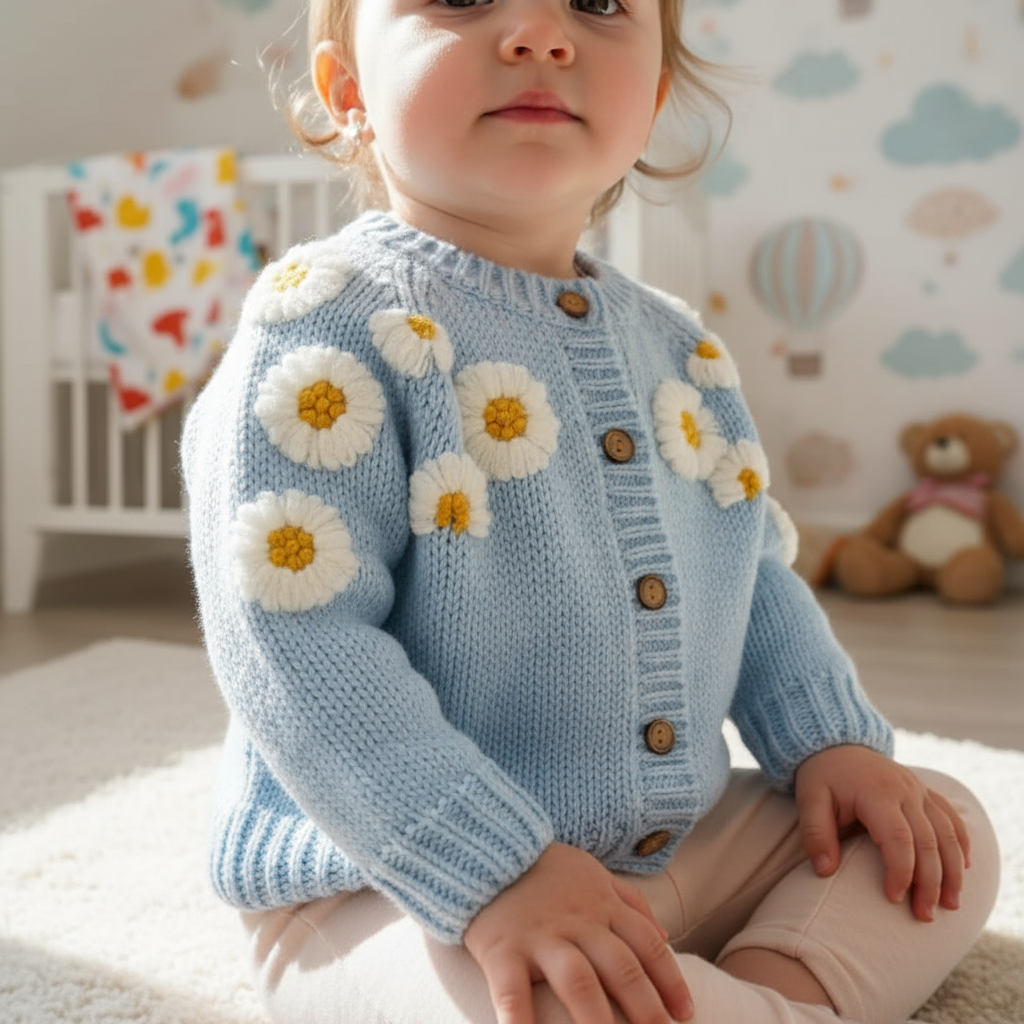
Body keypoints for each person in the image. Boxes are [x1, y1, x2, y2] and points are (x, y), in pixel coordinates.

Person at [181, 1, 1000, 1022]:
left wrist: (831, 744)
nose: (540, 34)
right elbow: (295, 653)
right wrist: (497, 871)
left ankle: (767, 996)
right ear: (346, 87)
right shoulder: (320, 331)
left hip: (677, 843)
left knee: (939, 831)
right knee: (544, 1006)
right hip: (388, 881)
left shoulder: (678, 349)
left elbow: (745, 573)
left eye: (601, 2)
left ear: (651, 97)